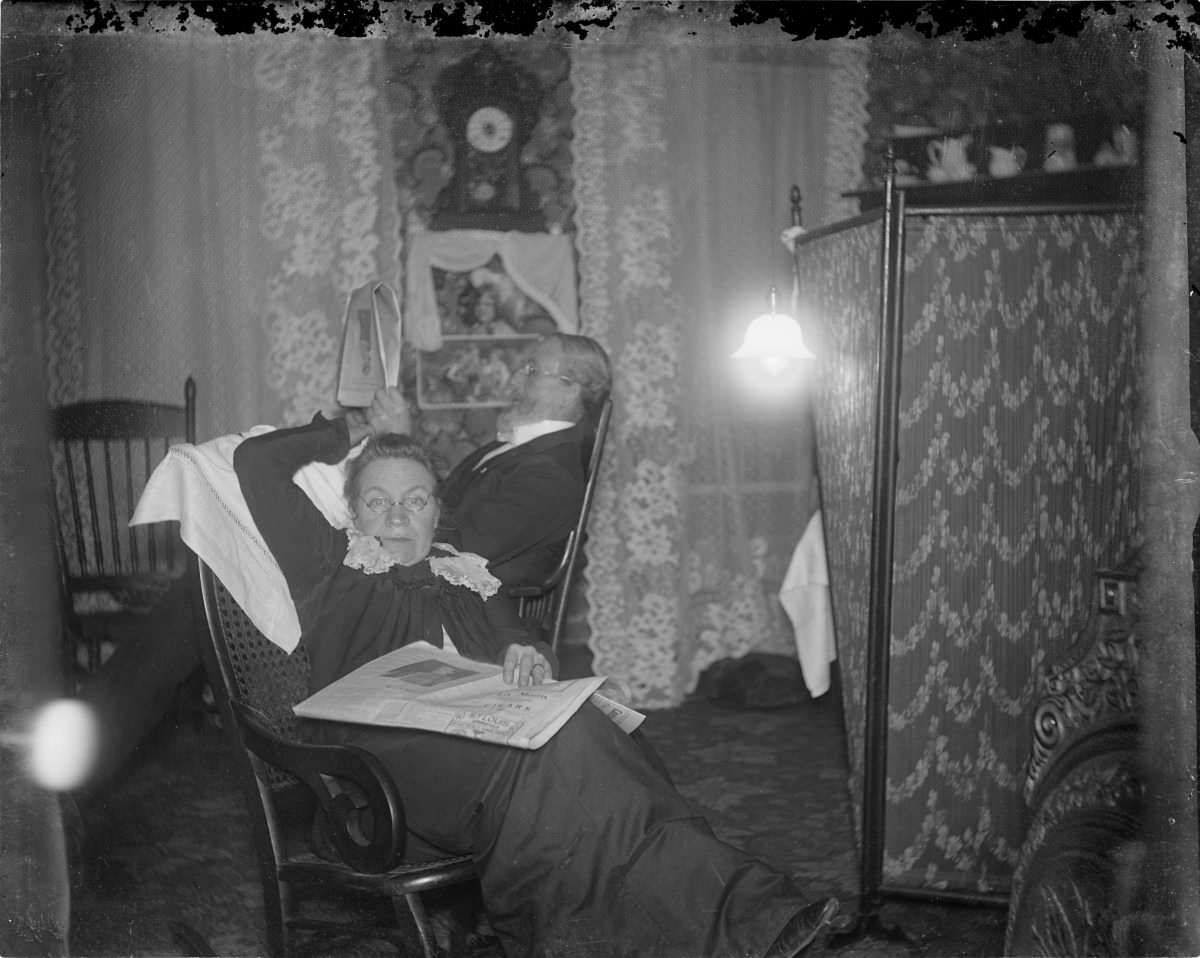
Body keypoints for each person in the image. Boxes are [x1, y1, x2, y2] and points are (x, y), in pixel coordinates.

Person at [233, 412, 839, 958]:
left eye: (415, 500)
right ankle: (735, 924)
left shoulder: (466, 575)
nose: (396, 516)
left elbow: (521, 647)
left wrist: (527, 653)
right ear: (352, 512)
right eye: (377, 502)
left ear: (438, 512)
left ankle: (744, 918)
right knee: (554, 769)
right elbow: (255, 463)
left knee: (585, 734)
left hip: (479, 750)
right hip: (378, 772)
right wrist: (349, 428)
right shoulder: (328, 565)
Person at [372, 332, 611, 588]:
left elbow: (457, 551)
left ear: (569, 391)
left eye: (531, 370)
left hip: (462, 616)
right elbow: (444, 504)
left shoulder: (550, 475)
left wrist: (399, 448)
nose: (514, 380)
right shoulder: (515, 449)